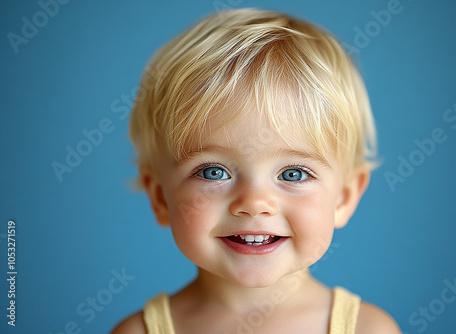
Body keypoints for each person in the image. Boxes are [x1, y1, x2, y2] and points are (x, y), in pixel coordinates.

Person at [112, 8, 400, 334]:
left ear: (343, 198)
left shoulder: (369, 329)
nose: (254, 202)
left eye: (293, 174)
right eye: (213, 172)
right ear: (160, 196)